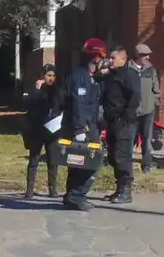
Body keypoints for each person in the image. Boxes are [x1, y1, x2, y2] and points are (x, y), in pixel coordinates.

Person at [61, 38, 108, 211]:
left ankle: (71, 196)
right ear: (97, 57)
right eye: (102, 56)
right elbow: (78, 104)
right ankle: (77, 195)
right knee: (91, 162)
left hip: (89, 124)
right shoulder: (80, 77)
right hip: (83, 126)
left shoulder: (90, 77)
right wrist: (80, 129)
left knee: (78, 162)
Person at [98, 45, 142, 204]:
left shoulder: (129, 74)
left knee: (123, 156)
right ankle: (119, 188)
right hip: (112, 121)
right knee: (113, 156)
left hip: (124, 122)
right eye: (109, 58)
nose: (110, 60)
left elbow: (135, 96)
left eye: (113, 58)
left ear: (123, 59)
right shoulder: (111, 75)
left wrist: (126, 114)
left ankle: (126, 191)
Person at [20, 64, 64, 198]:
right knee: (34, 159)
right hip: (37, 129)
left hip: (52, 131)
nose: (51, 79)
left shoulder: (57, 91)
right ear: (42, 76)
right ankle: (30, 189)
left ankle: (53, 189)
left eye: (53, 76)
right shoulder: (35, 90)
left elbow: (59, 105)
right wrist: (36, 89)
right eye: (48, 75)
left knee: (53, 160)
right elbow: (26, 104)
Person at [131, 44, 159, 177]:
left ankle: (146, 165)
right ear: (138, 56)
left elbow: (156, 89)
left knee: (147, 140)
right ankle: (127, 166)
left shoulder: (151, 69)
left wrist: (154, 103)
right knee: (130, 139)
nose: (148, 57)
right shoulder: (128, 69)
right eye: (145, 55)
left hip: (148, 110)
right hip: (132, 111)